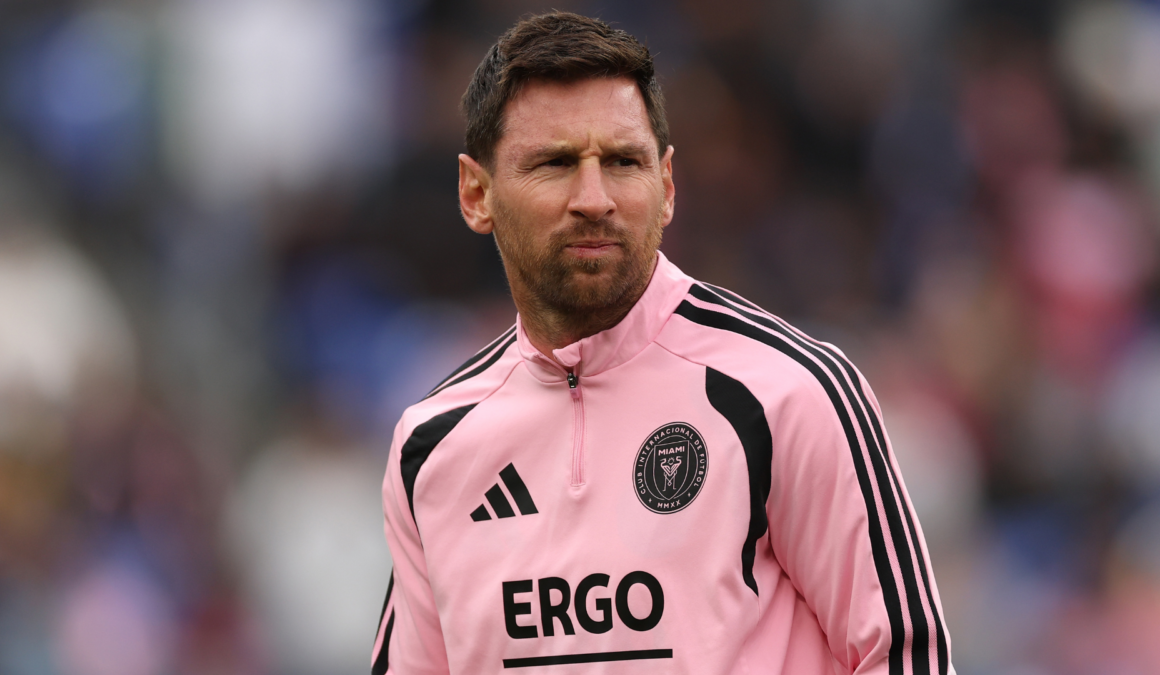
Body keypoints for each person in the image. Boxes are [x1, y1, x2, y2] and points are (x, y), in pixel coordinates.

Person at [372, 12, 953, 675]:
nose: (595, 198)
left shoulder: (787, 392)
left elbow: (905, 656)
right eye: (556, 163)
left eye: (623, 162)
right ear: (477, 194)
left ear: (667, 186)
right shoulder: (434, 446)